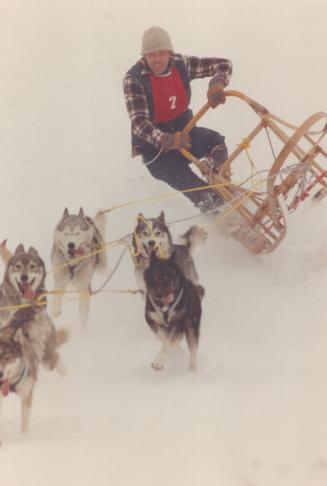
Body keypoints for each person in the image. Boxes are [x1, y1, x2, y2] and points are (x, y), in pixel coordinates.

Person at [123, 26, 233, 213]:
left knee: (217, 143)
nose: (157, 60)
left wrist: (217, 83)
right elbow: (139, 124)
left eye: (161, 54)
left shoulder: (181, 65)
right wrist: (168, 140)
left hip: (186, 137)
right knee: (205, 195)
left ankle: (217, 178)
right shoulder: (134, 80)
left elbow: (224, 64)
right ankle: (225, 222)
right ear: (144, 57)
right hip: (159, 156)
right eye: (151, 55)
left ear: (169, 53)